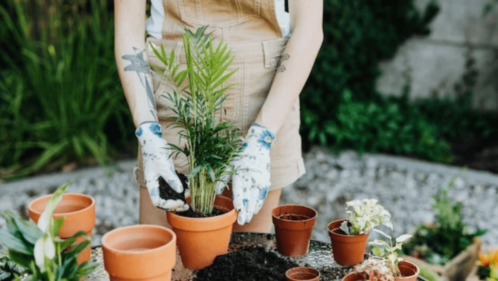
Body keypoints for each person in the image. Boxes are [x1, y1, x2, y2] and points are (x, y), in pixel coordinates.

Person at [114, 0, 323, 233]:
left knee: (247, 259)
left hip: (265, 98)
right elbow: (128, 31)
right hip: (175, 91)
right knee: (164, 258)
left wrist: (262, 137)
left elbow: (309, 26)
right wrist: (148, 132)